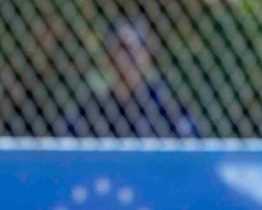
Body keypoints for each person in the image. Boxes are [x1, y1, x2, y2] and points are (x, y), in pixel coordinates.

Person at [59, 18, 197, 139]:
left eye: (138, 47)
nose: (132, 55)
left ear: (147, 56)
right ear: (109, 58)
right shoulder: (92, 107)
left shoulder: (165, 103)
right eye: (124, 48)